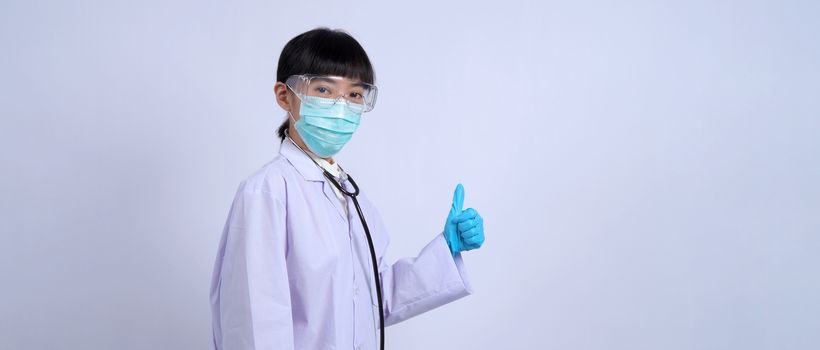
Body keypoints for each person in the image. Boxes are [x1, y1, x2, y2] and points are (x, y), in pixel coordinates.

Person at [209, 27, 486, 350]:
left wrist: (447, 250)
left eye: (354, 94)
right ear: (285, 96)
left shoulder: (350, 195)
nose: (341, 106)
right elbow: (257, 323)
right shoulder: (267, 193)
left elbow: (371, 298)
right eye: (325, 90)